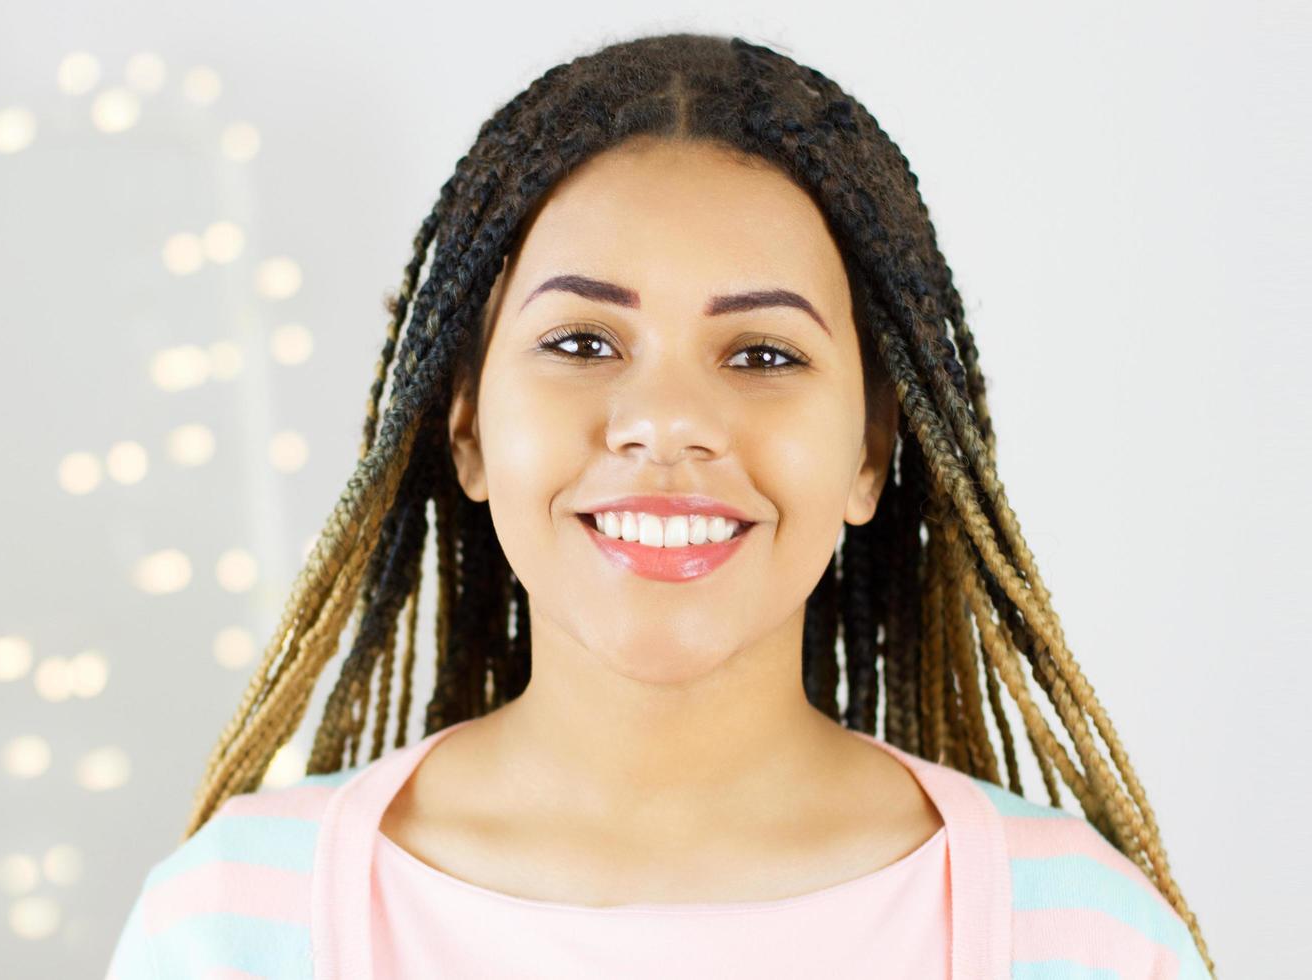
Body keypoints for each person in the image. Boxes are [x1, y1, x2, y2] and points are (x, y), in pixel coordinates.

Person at [105, 32, 1216, 980]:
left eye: (762, 352)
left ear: (870, 449)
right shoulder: (229, 923)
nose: (665, 419)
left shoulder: (1077, 937)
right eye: (583, 342)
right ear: (468, 425)